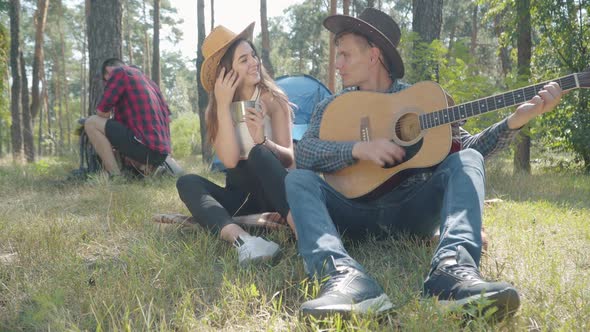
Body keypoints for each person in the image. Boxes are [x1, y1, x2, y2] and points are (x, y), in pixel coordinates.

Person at [285, 8, 563, 319]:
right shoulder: (332, 106)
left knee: (467, 159)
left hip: (412, 211)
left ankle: (451, 274)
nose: (337, 64)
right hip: (352, 214)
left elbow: (465, 150)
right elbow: (306, 153)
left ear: (373, 55)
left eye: (345, 55)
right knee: (297, 180)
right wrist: (359, 148)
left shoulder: (423, 100)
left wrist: (513, 122)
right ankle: (342, 278)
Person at [176, 23, 295, 266]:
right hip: (241, 196)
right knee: (187, 182)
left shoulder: (273, 99)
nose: (254, 62)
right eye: (244, 59)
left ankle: (301, 232)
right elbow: (230, 161)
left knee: (259, 154)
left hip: (275, 191)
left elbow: (289, 159)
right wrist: (222, 106)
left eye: (253, 55)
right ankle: (244, 241)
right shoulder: (216, 111)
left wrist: (263, 140)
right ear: (226, 73)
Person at [84, 58, 171, 177]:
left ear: (110, 72)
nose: (108, 83)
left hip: (146, 148)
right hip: (162, 154)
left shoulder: (120, 72)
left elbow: (102, 113)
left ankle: (115, 176)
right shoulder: (150, 83)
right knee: (120, 132)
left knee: (91, 123)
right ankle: (147, 168)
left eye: (107, 80)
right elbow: (168, 118)